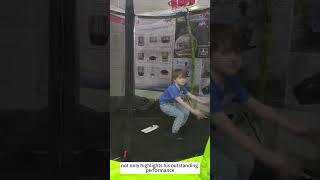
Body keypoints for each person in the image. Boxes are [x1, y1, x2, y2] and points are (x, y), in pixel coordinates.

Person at [210, 23, 320, 180]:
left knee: (246, 161)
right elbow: (230, 130)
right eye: (226, 52)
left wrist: (300, 130)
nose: (235, 58)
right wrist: (271, 158)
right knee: (226, 171)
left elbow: (262, 109)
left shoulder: (230, 80)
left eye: (238, 53)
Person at [160, 69, 209, 140]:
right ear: (174, 79)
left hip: (172, 103)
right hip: (165, 105)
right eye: (180, 78)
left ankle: (179, 125)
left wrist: (202, 102)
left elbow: (191, 95)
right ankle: (174, 133)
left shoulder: (182, 87)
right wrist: (194, 111)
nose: (183, 80)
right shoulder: (172, 88)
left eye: (184, 78)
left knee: (186, 111)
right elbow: (181, 102)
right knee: (180, 114)